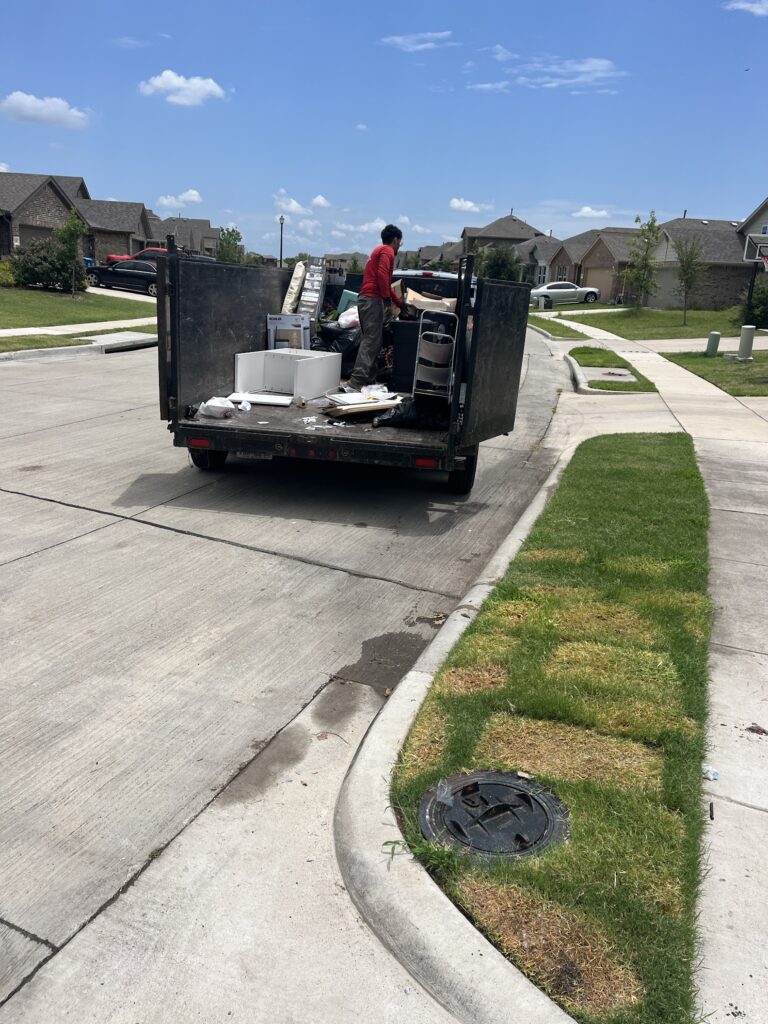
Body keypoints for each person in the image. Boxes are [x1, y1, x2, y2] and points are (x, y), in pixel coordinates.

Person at [347, 224, 404, 391]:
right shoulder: (387, 251)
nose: (399, 246)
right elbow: (382, 276)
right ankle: (355, 383)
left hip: (366, 298)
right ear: (395, 240)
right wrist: (387, 299)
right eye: (400, 242)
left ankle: (369, 380)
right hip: (372, 300)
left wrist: (399, 302)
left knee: (372, 340)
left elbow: (385, 281)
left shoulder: (377, 251)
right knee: (371, 341)